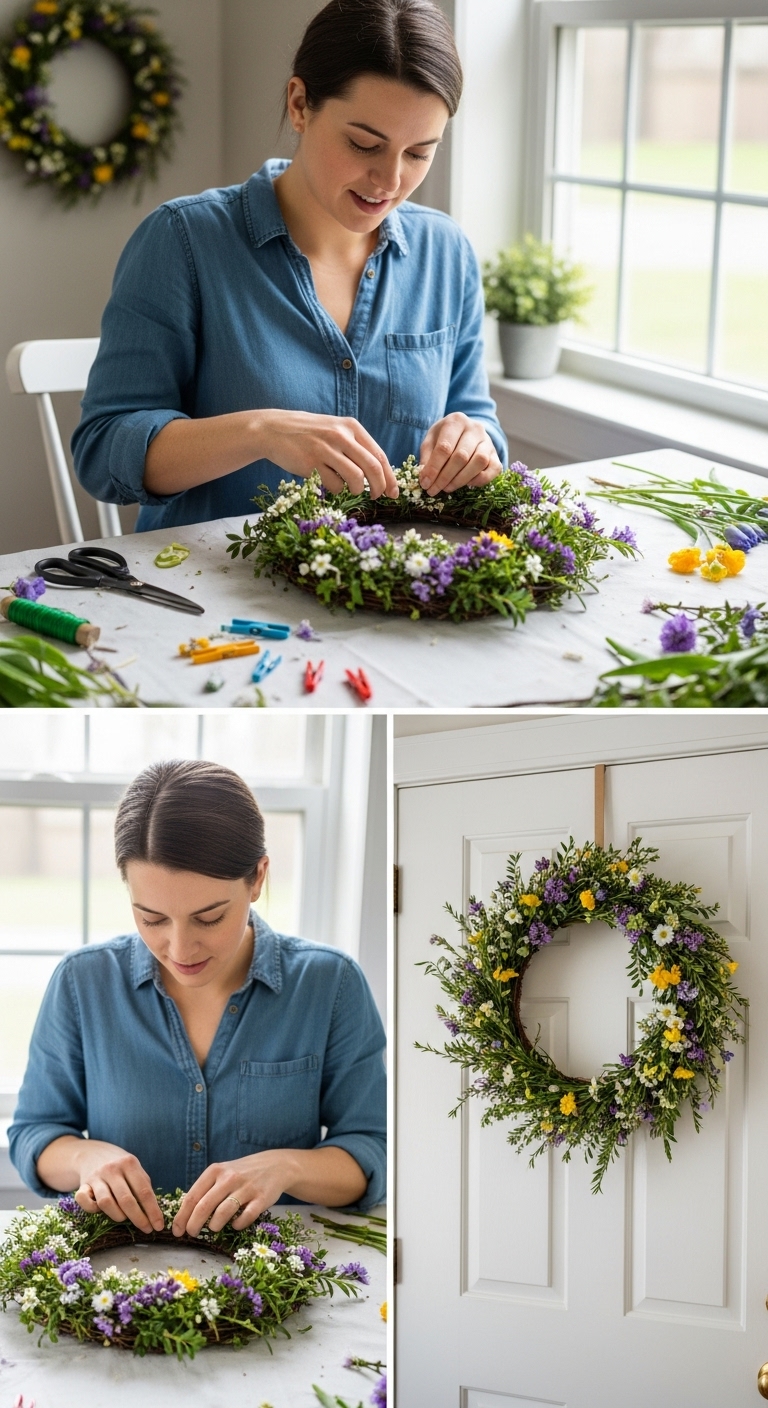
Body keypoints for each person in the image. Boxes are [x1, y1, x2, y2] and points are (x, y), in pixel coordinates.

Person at [72, 0, 507, 533]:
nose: (388, 181)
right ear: (300, 104)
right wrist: (259, 431)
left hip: (394, 601)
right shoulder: (183, 241)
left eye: (419, 153)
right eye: (363, 143)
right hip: (213, 596)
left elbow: (477, 418)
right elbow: (103, 452)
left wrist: (476, 445)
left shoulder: (447, 253)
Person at [8, 761, 385, 1237]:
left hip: (282, 1281)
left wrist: (287, 1167)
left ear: (258, 878)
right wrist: (85, 1156)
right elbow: (34, 1136)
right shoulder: (82, 982)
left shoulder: (331, 985)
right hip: (120, 1284)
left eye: (209, 918)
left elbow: (373, 1147)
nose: (180, 949)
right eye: (152, 918)